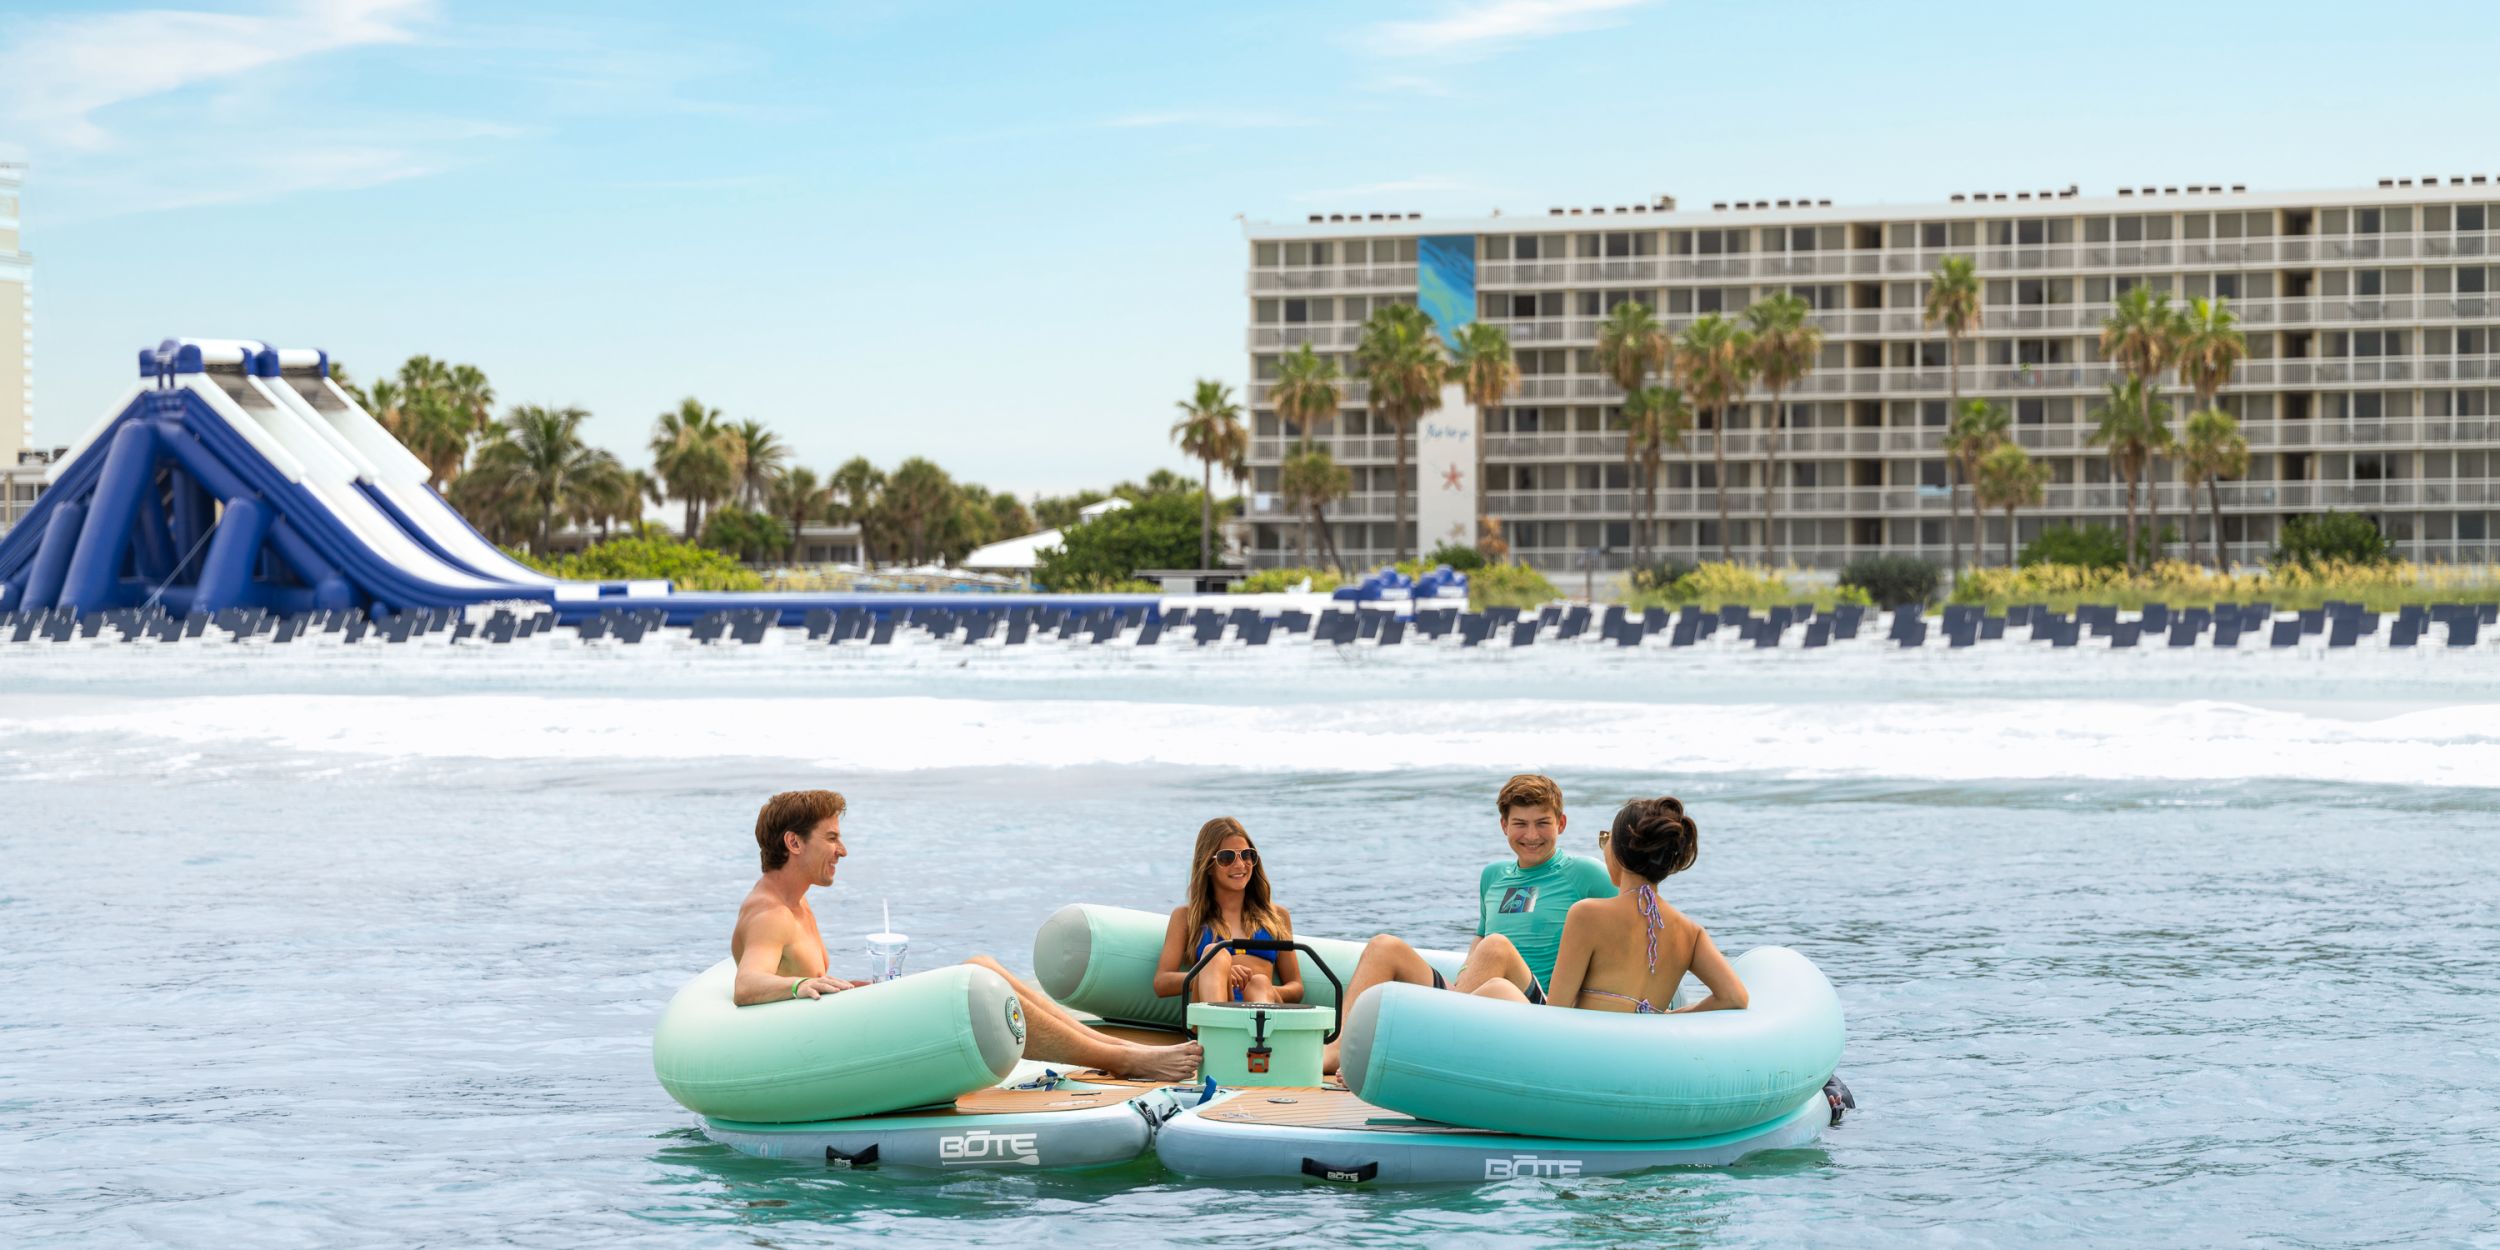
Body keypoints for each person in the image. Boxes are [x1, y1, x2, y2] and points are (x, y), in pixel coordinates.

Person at [729, 789, 1200, 1081]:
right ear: (794, 843)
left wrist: (835, 985)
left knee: (984, 963)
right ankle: (1123, 1060)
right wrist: (800, 985)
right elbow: (748, 985)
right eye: (831, 838)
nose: (843, 850)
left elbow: (791, 975)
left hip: (839, 1026)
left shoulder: (796, 903)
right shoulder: (771, 913)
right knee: (979, 983)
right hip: (825, 1053)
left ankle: (1117, 1051)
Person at [1320, 773, 1616, 1072]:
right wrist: (1466, 975)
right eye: (1520, 824)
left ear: (1560, 824)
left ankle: (1423, 1054)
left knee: (1497, 946)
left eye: (1542, 823)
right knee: (1383, 946)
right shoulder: (1493, 875)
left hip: (1537, 1007)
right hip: (1472, 999)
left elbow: (1633, 920)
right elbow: (1480, 936)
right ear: (1504, 826)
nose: (1531, 835)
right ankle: (1342, 1050)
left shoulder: (1586, 874)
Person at [1487, 796, 1747, 1015]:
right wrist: (1669, 1017)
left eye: (1607, 840)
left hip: (1581, 1052)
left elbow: (1558, 1011)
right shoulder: (1691, 933)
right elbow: (1735, 996)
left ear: (1620, 851)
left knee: (1495, 990)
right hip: (1638, 1056)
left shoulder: (1587, 914)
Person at [1151, 817, 1302, 1007]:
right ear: (1208, 865)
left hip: (1261, 1003)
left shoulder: (1277, 916)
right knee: (1213, 955)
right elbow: (1161, 983)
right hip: (1211, 1005)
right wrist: (1220, 972)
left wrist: (1262, 988)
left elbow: (1296, 987)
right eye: (1227, 857)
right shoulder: (1186, 917)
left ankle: (1256, 1031)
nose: (1240, 865)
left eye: (1246, 855)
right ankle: (1218, 1031)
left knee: (1259, 982)